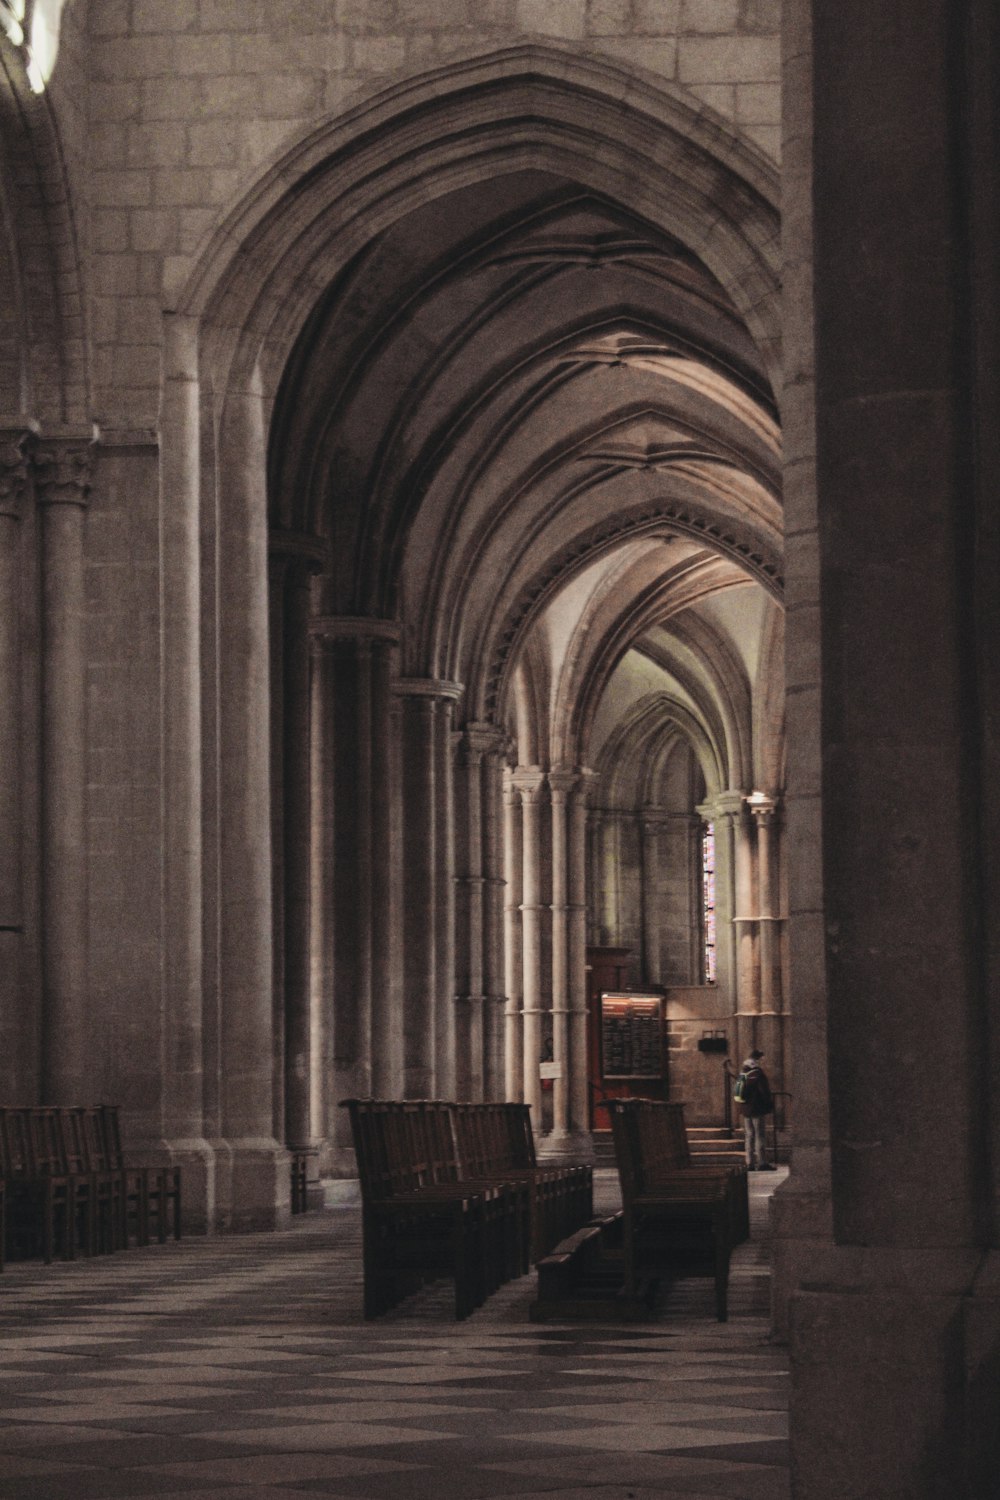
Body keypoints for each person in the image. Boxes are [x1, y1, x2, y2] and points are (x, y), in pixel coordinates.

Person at [738, 1048, 775, 1170]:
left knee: (749, 1135)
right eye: (761, 1058)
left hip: (745, 1109)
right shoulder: (757, 1073)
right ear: (757, 1059)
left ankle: (749, 1163)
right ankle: (762, 1162)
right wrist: (769, 1104)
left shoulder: (743, 1072)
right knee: (760, 1135)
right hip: (757, 1108)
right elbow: (764, 1092)